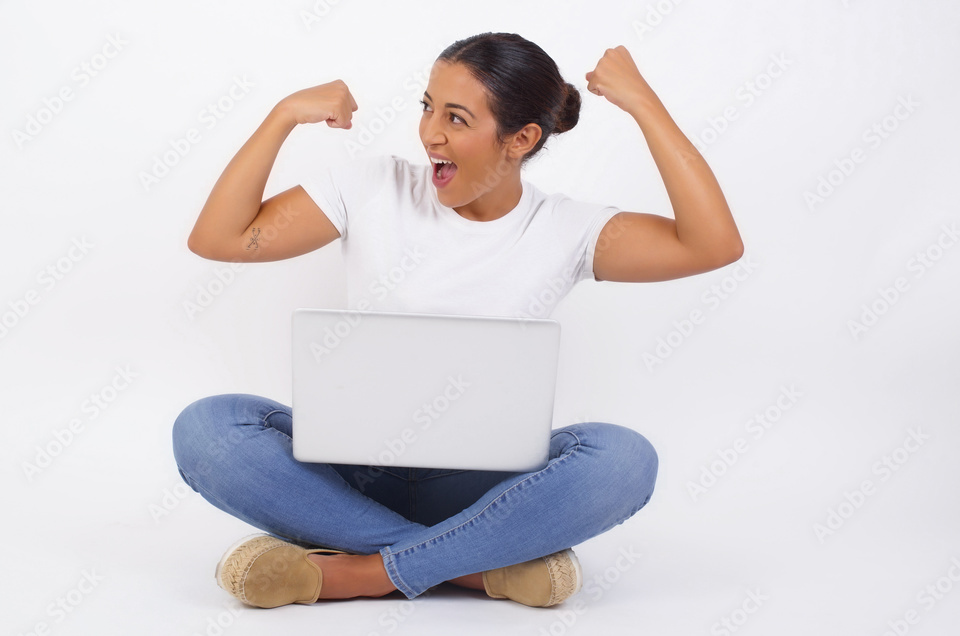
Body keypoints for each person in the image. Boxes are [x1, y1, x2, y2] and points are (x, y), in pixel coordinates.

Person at [173, 32, 743, 609]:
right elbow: (219, 239)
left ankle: (361, 573)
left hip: (485, 490)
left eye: (456, 118)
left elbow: (713, 244)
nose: (430, 134)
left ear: (521, 139)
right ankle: (473, 566)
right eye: (427, 107)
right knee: (207, 429)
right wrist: (283, 115)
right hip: (351, 477)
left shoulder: (567, 229)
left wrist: (644, 104)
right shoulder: (371, 187)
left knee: (625, 461)